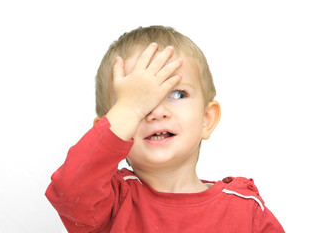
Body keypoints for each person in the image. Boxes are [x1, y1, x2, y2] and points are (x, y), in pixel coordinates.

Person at [45, 25, 284, 233]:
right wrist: (129, 109)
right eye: (135, 99)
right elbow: (68, 190)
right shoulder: (108, 205)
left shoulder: (247, 211)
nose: (157, 112)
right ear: (110, 126)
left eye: (177, 94)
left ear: (206, 119)